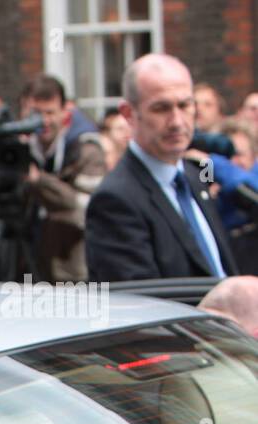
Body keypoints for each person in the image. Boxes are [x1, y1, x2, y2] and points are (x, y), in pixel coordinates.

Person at [86, 54, 237, 282]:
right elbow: (142, 305)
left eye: (185, 105)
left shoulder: (193, 176)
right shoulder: (115, 200)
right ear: (129, 114)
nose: (177, 121)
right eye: (161, 108)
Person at [20, 74, 106, 281]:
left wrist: (38, 181)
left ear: (65, 113)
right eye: (35, 113)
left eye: (50, 112)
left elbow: (85, 210)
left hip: (70, 269)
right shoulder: (19, 149)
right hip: (23, 265)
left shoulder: (85, 149)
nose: (43, 121)